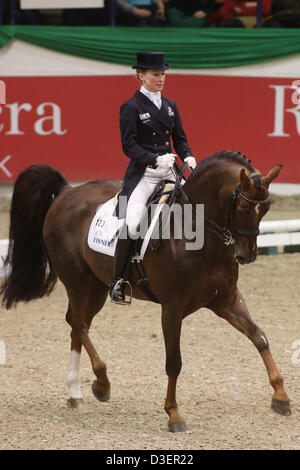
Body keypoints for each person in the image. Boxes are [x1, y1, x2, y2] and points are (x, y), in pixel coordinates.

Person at [110, 51, 197, 304]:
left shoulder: (170, 106)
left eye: (163, 74)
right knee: (133, 221)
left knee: (196, 212)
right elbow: (128, 146)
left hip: (171, 171)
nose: (161, 79)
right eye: (156, 74)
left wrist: (188, 156)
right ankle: (118, 280)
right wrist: (154, 159)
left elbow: (179, 139)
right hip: (144, 176)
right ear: (141, 75)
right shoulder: (130, 107)